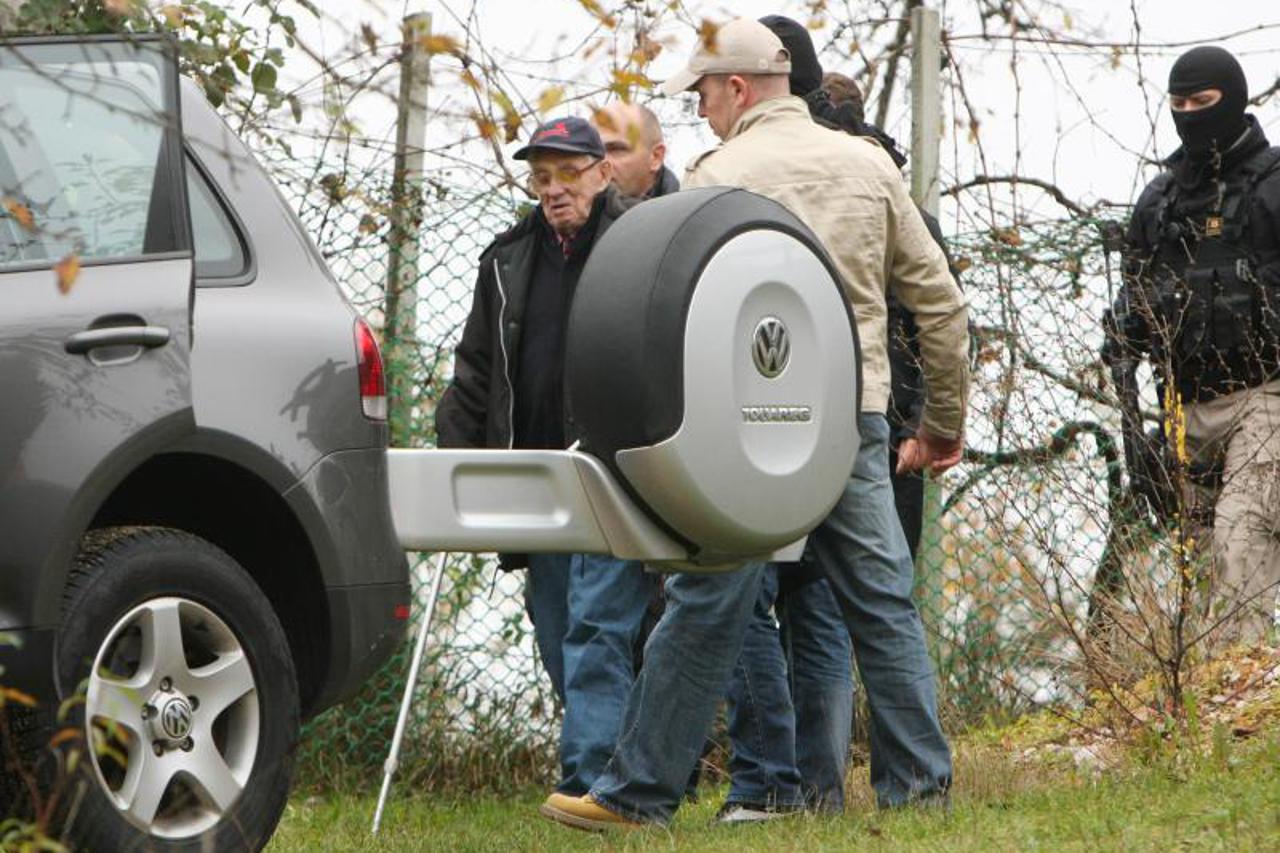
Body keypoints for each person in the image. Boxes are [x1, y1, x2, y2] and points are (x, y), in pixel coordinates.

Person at [540, 18, 969, 830]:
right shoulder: (868, 165)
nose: (700, 110)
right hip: (850, 418)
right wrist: (941, 420)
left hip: (747, 423)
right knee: (882, 601)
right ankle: (920, 790)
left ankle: (637, 794)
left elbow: (671, 315)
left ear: (738, 88)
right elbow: (940, 304)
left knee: (706, 598)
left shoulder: (715, 174)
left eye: (703, 93)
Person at [434, 116, 655, 801]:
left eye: (568, 173)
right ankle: (631, 758)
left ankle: (592, 781)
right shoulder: (506, 258)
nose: (554, 189)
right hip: (532, 475)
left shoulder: (639, 245)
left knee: (597, 625)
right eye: (541, 176)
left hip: (611, 471)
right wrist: (455, 458)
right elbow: (475, 368)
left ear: (602, 172)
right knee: (559, 628)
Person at [1106, 45, 1280, 642]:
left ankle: (1239, 702)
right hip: (1185, 403)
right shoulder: (1161, 201)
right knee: (1201, 558)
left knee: (1242, 533)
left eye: (1202, 102)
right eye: (1178, 104)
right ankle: (1210, 704)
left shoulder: (1275, 184)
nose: (1189, 114)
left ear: (1233, 99)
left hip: (1268, 394)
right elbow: (1132, 294)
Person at [591, 101, 680, 199]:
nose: (601, 163)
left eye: (616, 149)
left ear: (656, 157)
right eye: (593, 152)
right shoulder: (576, 211)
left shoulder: (690, 211)